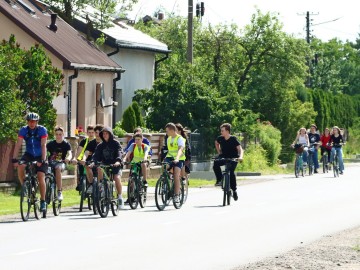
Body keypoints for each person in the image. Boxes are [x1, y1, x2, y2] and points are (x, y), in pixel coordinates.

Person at [12, 112, 48, 211]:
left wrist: (43, 159)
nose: (32, 123)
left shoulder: (42, 130)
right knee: (20, 166)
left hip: (41, 155)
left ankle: (43, 201)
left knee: (41, 176)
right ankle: (25, 186)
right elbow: (18, 144)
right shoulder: (23, 130)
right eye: (30, 121)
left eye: (34, 121)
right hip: (29, 154)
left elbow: (43, 145)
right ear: (27, 122)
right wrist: (14, 158)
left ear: (37, 122)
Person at [90, 127, 125, 209]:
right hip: (105, 164)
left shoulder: (116, 143)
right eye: (103, 134)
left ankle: (119, 197)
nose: (105, 135)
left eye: (106, 133)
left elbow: (120, 152)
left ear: (110, 134)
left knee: (116, 178)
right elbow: (96, 155)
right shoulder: (100, 145)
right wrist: (93, 162)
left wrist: (118, 161)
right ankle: (102, 186)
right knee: (99, 168)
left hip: (116, 164)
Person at [213, 123, 244, 201]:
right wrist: (219, 152)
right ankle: (219, 180)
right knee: (215, 163)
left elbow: (240, 149)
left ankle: (234, 190)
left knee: (231, 172)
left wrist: (240, 157)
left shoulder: (233, 139)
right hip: (224, 157)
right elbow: (216, 143)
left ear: (227, 131)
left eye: (222, 131)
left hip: (233, 158)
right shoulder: (220, 138)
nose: (221, 132)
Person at [46, 126, 72, 201]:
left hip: (61, 163)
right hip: (51, 162)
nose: (58, 136)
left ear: (63, 134)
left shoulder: (66, 144)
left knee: (58, 169)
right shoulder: (50, 144)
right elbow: (44, 151)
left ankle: (59, 191)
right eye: (57, 134)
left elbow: (69, 153)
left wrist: (68, 158)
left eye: (60, 134)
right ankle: (46, 190)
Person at [164, 122, 186, 203]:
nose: (166, 133)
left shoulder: (180, 138)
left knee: (176, 174)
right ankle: (166, 184)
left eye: (167, 131)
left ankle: (176, 195)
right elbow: (169, 150)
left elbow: (180, 150)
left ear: (172, 130)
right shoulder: (168, 138)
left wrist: (177, 158)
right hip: (170, 157)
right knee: (164, 169)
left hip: (179, 158)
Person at [72, 125, 95, 191]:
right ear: (87, 133)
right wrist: (75, 159)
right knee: (80, 168)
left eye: (92, 132)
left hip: (93, 160)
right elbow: (79, 151)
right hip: (84, 159)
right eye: (89, 132)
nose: (91, 134)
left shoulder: (96, 141)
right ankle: (80, 183)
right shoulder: (84, 141)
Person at [81, 124, 103, 194]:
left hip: (102, 163)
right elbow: (86, 152)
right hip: (93, 162)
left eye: (99, 133)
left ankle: (100, 185)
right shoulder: (91, 143)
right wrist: (84, 159)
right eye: (96, 132)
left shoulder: (104, 143)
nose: (97, 134)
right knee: (87, 166)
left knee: (100, 168)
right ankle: (91, 185)